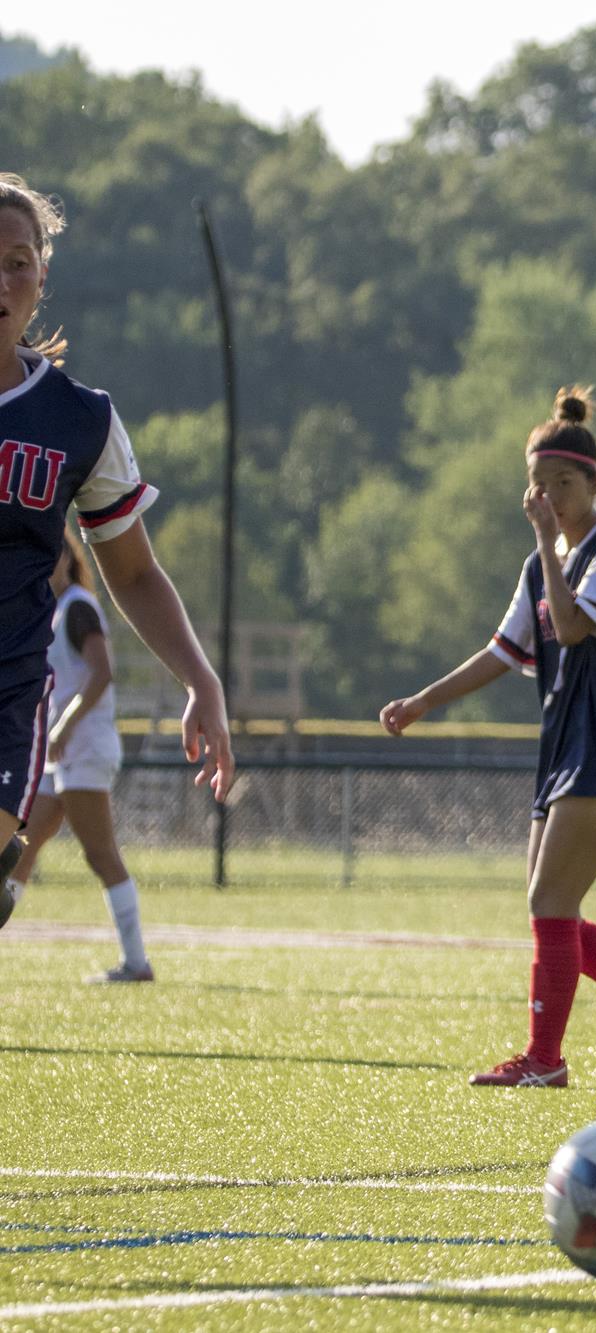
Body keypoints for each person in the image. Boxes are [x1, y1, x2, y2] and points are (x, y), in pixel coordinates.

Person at [378, 388, 596, 1089]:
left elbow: (569, 627)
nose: (550, 495)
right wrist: (422, 701)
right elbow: (502, 651)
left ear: (594, 482)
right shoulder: (542, 564)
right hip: (563, 747)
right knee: (553, 912)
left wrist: (544, 542)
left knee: (549, 907)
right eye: (538, 484)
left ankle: (545, 1059)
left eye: (563, 482)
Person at [0, 173, 233, 932]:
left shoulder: (81, 420)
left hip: (10, 689)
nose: (2, 279)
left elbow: (131, 570)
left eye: (18, 260)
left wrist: (200, 677)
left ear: (42, 276)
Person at [8, 528, 154, 980]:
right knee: (18, 849)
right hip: (60, 750)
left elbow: (101, 671)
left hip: (82, 746)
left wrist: (64, 726)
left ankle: (136, 962)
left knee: (100, 854)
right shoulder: (52, 611)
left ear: (67, 560)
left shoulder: (77, 606)